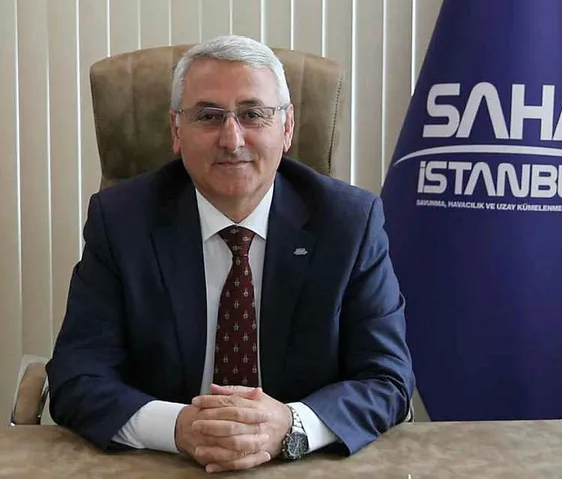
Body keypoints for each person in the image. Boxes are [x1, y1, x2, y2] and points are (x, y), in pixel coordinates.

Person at [46, 35, 414, 473]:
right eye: (208, 116)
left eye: (253, 114)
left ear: (287, 128)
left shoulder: (349, 223)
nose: (232, 138)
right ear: (176, 131)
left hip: (303, 467)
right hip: (161, 466)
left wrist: (291, 426)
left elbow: (386, 378)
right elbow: (77, 376)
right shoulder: (121, 222)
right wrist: (178, 427)